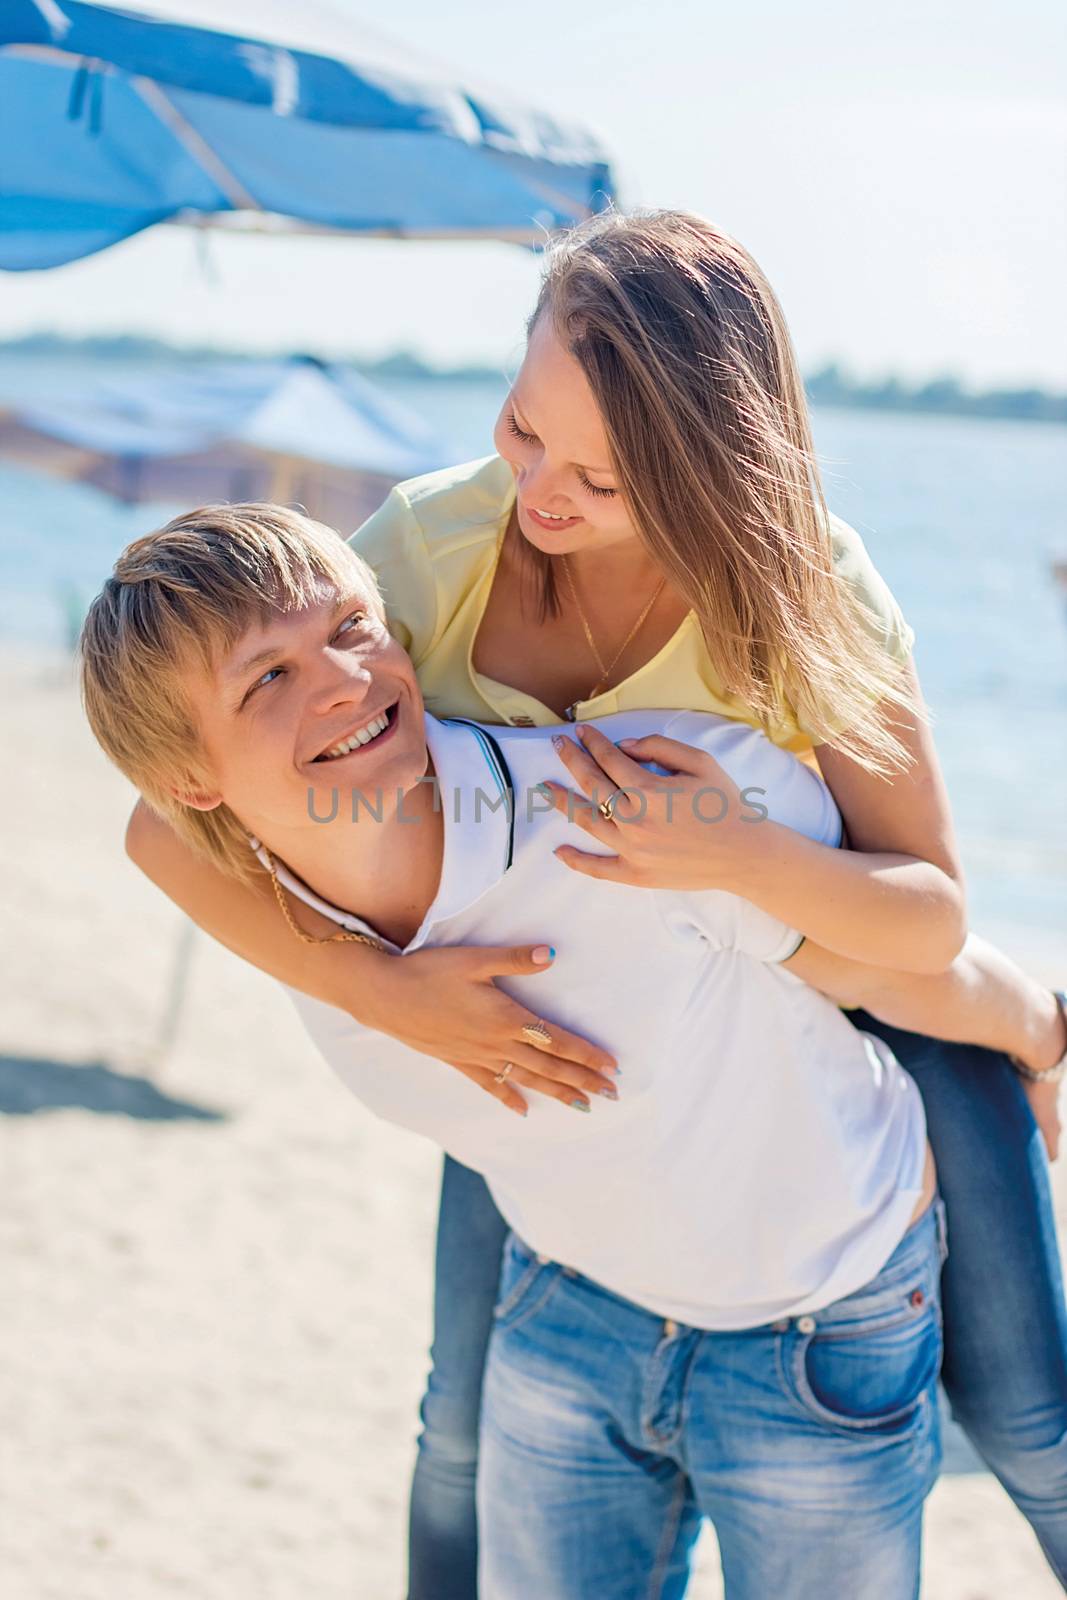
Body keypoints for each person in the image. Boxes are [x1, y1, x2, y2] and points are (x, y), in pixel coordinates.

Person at [124, 211, 1067, 1593]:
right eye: (521, 433)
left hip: (841, 1003)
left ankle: (1045, 1029)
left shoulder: (807, 592)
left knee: (1037, 1424)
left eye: (602, 480)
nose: (541, 497)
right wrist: (381, 992)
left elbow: (921, 912)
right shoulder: (431, 551)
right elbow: (171, 820)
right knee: (456, 1429)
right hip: (555, 1042)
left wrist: (733, 850)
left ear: (708, 470)